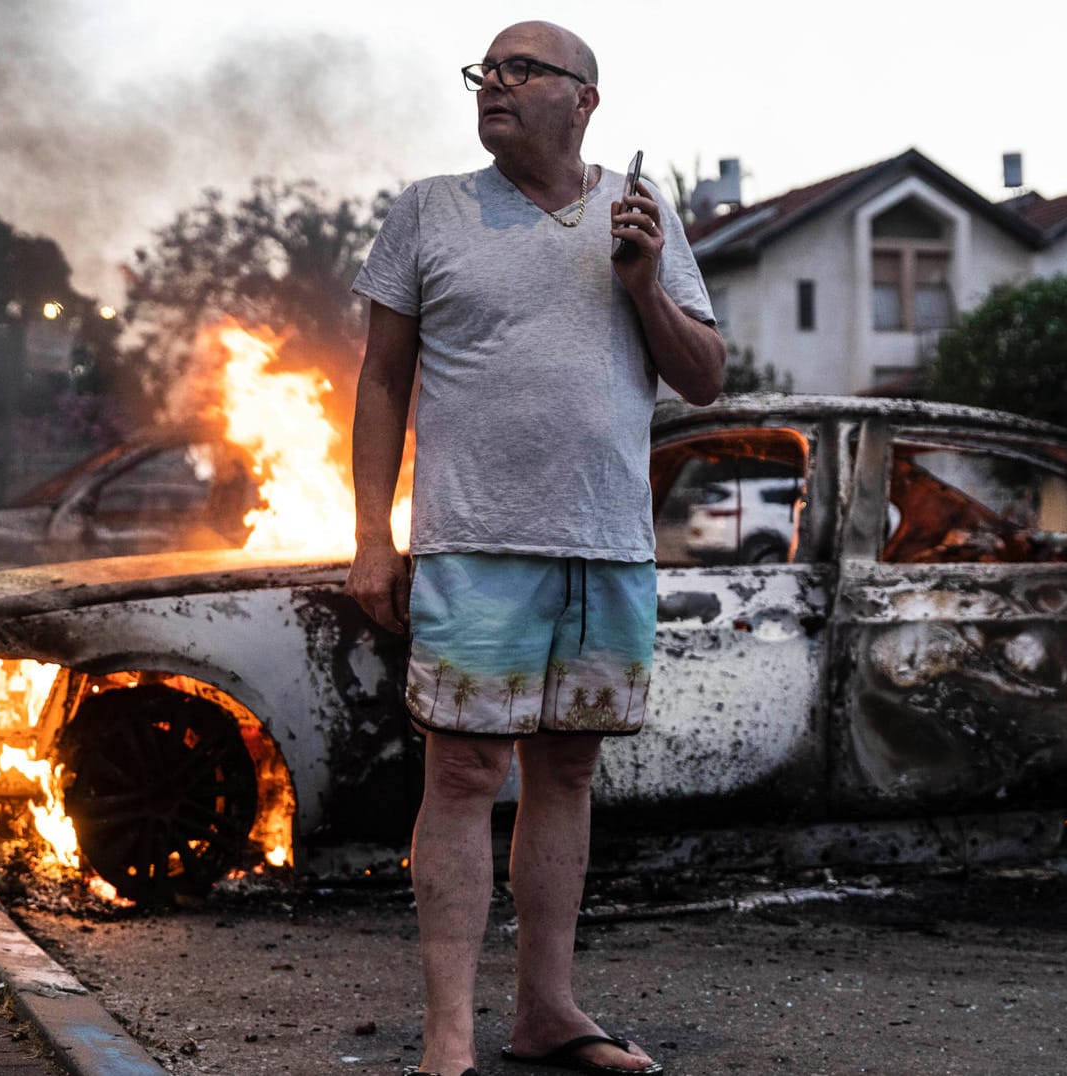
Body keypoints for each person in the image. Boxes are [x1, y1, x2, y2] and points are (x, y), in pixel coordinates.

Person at [344, 20, 723, 1076]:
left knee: (569, 769)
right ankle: (449, 1035)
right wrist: (372, 535)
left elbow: (704, 377)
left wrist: (645, 279)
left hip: (605, 544)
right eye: (486, 70)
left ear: (585, 99)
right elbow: (381, 380)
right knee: (463, 770)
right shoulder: (429, 210)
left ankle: (547, 1010)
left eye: (521, 69)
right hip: (473, 539)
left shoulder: (641, 214)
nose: (494, 84)